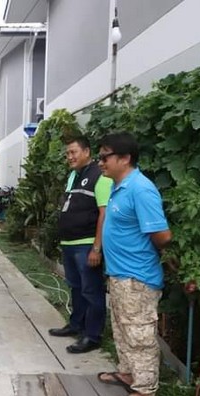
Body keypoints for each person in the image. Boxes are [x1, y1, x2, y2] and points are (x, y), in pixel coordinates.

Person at [95, 133, 172, 396]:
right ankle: (128, 374)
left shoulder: (141, 188)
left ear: (124, 158)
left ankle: (146, 392)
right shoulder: (120, 187)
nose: (100, 162)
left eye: (105, 157)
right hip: (120, 275)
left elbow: (162, 235)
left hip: (137, 277)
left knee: (139, 334)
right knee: (123, 329)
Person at [49, 136, 112, 354]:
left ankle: (92, 335)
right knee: (76, 288)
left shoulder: (100, 176)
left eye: (74, 152)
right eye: (67, 153)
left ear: (87, 152)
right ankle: (76, 325)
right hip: (69, 243)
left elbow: (104, 213)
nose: (70, 157)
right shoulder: (74, 176)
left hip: (86, 245)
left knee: (91, 290)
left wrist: (97, 247)